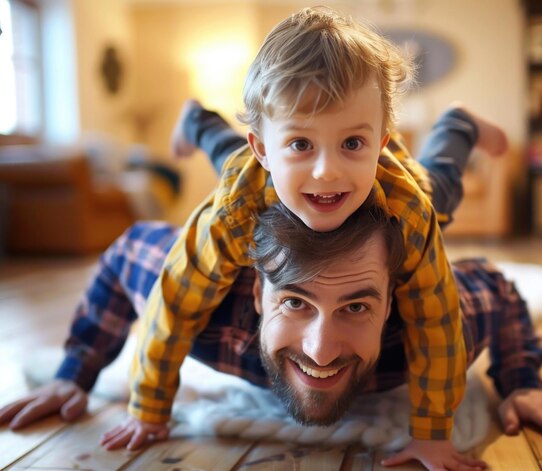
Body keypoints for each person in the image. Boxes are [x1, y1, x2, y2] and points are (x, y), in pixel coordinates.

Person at [95, 7, 512, 467]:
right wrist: (150, 408)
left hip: (377, 183)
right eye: (301, 144)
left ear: (380, 142)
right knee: (228, 158)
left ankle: (458, 124)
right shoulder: (234, 212)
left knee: (442, 191)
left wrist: (433, 435)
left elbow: (437, 321)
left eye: (353, 143)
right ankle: (197, 119)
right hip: (256, 178)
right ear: (265, 149)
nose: (327, 171)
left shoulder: (406, 210)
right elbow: (174, 301)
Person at [0, 201, 542, 471]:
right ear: (259, 295)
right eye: (295, 301)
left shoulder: (425, 331)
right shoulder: (205, 308)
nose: (321, 351)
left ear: (393, 300)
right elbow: (127, 249)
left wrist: (520, 380)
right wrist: (74, 369)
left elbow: (498, 288)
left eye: (355, 305)